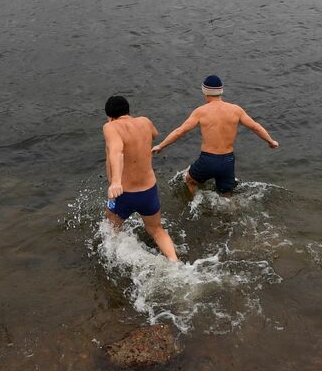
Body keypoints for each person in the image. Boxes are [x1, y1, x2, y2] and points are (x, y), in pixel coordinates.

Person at [153, 74, 278, 196]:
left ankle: (195, 203)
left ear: (205, 92)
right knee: (226, 195)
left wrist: (161, 146)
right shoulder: (236, 110)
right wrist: (270, 141)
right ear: (221, 92)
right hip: (228, 161)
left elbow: (180, 131)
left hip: (208, 160)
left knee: (189, 180)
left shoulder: (200, 111)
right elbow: (255, 127)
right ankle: (230, 213)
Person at [102, 95, 179, 261]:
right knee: (157, 230)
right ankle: (175, 262)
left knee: (111, 228)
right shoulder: (145, 121)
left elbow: (117, 151)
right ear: (128, 111)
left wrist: (115, 182)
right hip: (148, 191)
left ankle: (113, 261)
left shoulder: (110, 127)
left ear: (109, 116)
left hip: (124, 193)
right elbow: (154, 134)